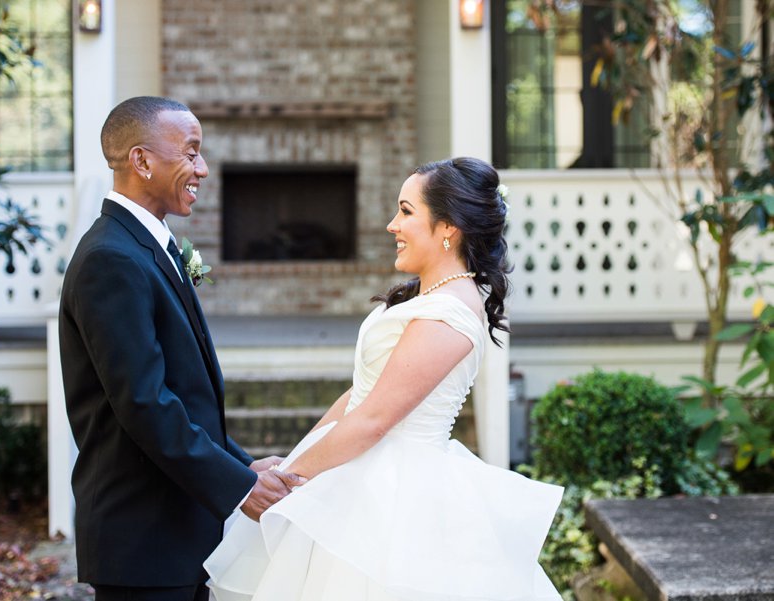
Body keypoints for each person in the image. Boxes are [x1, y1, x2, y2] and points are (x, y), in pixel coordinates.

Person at [204, 157, 564, 601]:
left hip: (398, 496)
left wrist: (287, 484)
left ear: (448, 227)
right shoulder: (428, 294)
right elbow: (360, 394)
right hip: (362, 472)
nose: (393, 224)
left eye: (406, 211)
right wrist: (293, 463)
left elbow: (374, 418)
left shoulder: (449, 310)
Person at [58, 96, 304, 601]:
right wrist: (238, 488)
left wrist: (241, 464)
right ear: (142, 161)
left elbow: (181, 395)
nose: (204, 169)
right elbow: (145, 404)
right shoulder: (111, 259)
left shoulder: (150, 246)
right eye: (191, 153)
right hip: (144, 539)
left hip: (178, 532)